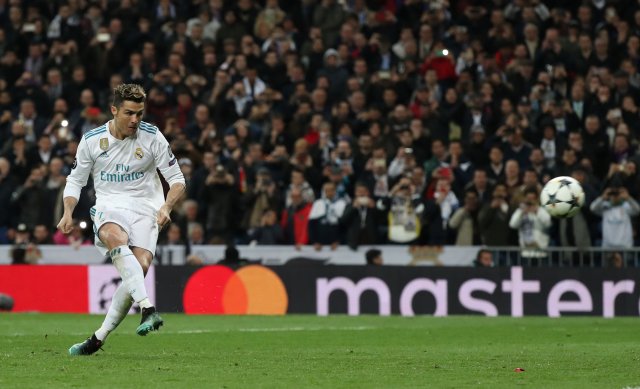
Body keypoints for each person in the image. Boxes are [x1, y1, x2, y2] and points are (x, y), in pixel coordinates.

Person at [57, 84, 186, 356]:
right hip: (110, 203)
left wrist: (166, 206)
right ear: (114, 110)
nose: (135, 120)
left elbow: (177, 180)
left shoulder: (152, 137)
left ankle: (97, 338)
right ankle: (148, 308)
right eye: (129, 113)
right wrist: (68, 211)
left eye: (139, 113)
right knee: (115, 237)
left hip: (147, 207)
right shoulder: (92, 140)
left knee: (139, 267)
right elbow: (75, 181)